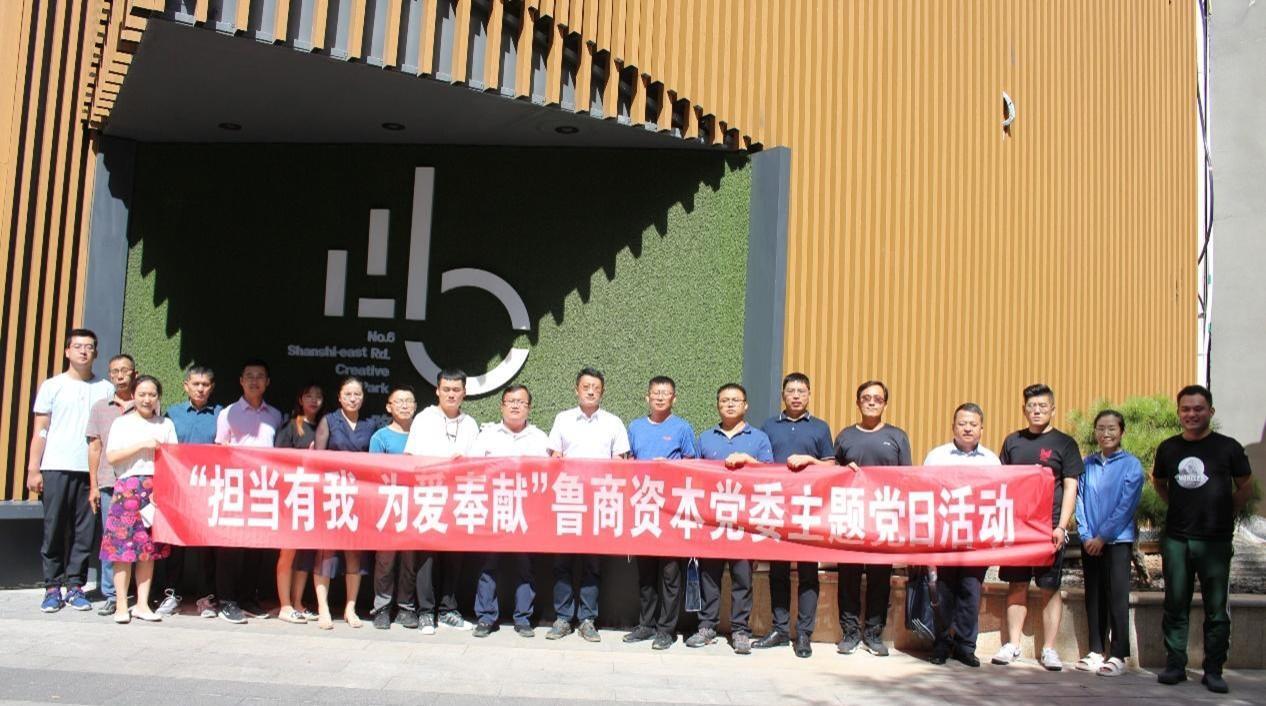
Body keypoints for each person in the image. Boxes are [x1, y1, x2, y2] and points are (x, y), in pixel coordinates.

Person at [1152, 385, 1253, 694]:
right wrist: (1179, 506)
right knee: (1175, 603)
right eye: (1186, 409)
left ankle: (1213, 670)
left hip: (1215, 540)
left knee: (1216, 608)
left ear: (1210, 411)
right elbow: (1159, 483)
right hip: (1177, 539)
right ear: (1178, 412)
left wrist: (1226, 510)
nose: (1191, 414)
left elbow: (1245, 486)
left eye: (1198, 409)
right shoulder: (1168, 448)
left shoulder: (1228, 448)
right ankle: (1175, 664)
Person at [991, 383, 1083, 671]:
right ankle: (1013, 644)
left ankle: (1049, 649)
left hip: (1049, 528)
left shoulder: (1065, 444)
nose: (1037, 410)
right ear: (1024, 409)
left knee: (1049, 587)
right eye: (1032, 406)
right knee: (1016, 584)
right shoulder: (1013, 441)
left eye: (1043, 406)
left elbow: (1071, 486)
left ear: (1053, 409)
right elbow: (1002, 483)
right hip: (1018, 528)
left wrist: (1062, 526)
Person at [27, 328, 114, 613]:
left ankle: (76, 586)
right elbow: (41, 430)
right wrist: (33, 468)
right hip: (56, 466)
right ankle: (52, 586)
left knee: (85, 530)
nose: (83, 351)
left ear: (96, 353)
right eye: (78, 346)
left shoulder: (106, 388)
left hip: (91, 471)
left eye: (89, 347)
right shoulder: (52, 385)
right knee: (54, 528)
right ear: (67, 351)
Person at [545, 367, 631, 642]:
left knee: (593, 564)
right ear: (577, 390)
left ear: (602, 392)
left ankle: (587, 619)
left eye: (596, 388)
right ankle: (562, 618)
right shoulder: (563, 419)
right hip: (568, 501)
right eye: (586, 387)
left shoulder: (613, 422)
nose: (591, 391)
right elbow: (554, 457)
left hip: (598, 503)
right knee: (562, 563)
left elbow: (620, 462)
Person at [687, 382, 773, 655]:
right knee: (709, 576)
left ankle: (740, 630)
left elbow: (772, 477)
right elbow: (694, 475)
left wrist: (749, 460)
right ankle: (707, 626)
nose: (730, 404)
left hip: (745, 521)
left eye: (736, 400)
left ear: (746, 405)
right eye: (724, 400)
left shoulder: (759, 438)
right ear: (717, 405)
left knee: (742, 578)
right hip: (712, 520)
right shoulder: (705, 438)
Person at [755, 372, 834, 658]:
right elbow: (760, 465)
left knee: (808, 573)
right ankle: (779, 629)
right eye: (791, 391)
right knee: (778, 572)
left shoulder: (820, 428)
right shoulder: (768, 426)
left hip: (809, 511)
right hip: (777, 509)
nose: (796, 396)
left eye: (802, 391)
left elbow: (831, 466)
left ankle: (803, 634)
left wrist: (810, 460)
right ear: (783, 396)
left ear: (809, 395)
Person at [833, 380, 912, 657]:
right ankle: (850, 632)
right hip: (852, 515)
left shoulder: (898, 436)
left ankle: (873, 633)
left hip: (883, 517)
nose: (871, 402)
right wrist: (845, 471)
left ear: (885, 404)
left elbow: (906, 478)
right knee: (849, 576)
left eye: (877, 399)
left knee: (880, 576)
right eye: (866, 398)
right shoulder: (845, 436)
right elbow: (832, 473)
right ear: (858, 402)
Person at [922, 402, 1000, 667]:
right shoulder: (937, 456)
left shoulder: (991, 460)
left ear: (981, 429)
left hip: (977, 538)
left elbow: (999, 496)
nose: (967, 428)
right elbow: (923, 491)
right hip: (944, 535)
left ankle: (966, 646)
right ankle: (941, 643)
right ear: (953, 427)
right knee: (942, 591)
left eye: (973, 424)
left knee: (970, 590)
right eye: (962, 423)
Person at [468, 384, 549, 639]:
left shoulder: (540, 438)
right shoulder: (487, 436)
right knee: (488, 565)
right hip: (493, 511)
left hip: (527, 512)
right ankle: (486, 617)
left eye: (520, 402)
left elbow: (549, 474)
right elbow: (472, 468)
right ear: (501, 406)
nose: (515, 406)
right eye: (510, 401)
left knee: (526, 567)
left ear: (529, 408)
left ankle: (523, 619)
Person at [623, 376, 697, 650]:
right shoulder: (635, 427)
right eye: (656, 393)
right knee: (645, 574)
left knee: (670, 574)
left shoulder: (682, 428)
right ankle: (646, 624)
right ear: (647, 397)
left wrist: (669, 467)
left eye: (666, 393)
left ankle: (666, 629)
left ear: (674, 398)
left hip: (672, 511)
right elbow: (628, 463)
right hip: (644, 508)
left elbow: (692, 464)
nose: (660, 397)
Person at [404, 368, 480, 634]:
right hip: (429, 495)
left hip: (458, 498)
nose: (451, 394)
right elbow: (410, 457)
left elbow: (478, 463)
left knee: (454, 556)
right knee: (426, 557)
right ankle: (426, 612)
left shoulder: (470, 424)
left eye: (456, 390)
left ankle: (448, 610)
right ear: (437, 390)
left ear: (464, 393)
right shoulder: (424, 419)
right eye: (446, 389)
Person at [100, 375, 178, 624]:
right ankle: (121, 605)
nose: (147, 399)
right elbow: (112, 456)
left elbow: (173, 459)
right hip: (127, 489)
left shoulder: (165, 424)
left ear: (158, 397)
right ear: (133, 395)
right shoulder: (122, 423)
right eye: (142, 394)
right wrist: (142, 444)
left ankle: (142, 604)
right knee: (122, 551)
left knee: (148, 550)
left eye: (152, 394)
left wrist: (162, 488)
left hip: (155, 490)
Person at [213, 359, 284, 624]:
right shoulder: (227, 413)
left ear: (268, 382)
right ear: (241, 381)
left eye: (260, 376)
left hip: (263, 489)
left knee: (256, 546)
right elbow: (219, 451)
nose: (255, 381)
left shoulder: (275, 415)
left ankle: (247, 598)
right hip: (235, 488)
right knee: (231, 546)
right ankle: (226, 600)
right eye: (250, 376)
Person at [1073, 409, 1143, 677]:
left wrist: (1103, 536)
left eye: (1112, 428)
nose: (1106, 433)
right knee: (1093, 595)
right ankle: (1095, 649)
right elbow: (1079, 500)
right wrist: (1086, 535)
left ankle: (1118, 654)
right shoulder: (1087, 464)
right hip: (1090, 540)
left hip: (1117, 541)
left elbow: (1126, 506)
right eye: (1101, 428)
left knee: (1117, 596)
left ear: (1122, 431)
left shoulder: (1131, 465)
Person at [312, 375, 378, 629]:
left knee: (354, 553)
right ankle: (323, 608)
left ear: (363, 398)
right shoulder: (329, 421)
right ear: (339, 397)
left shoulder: (370, 425)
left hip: (358, 496)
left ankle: (350, 608)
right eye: (348, 394)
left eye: (357, 394)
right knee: (325, 552)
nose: (353, 398)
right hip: (331, 495)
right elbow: (318, 460)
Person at [164, 366, 222, 618]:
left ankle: (205, 599)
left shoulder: (221, 414)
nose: (200, 389)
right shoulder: (172, 414)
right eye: (195, 384)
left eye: (205, 384)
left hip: (208, 491)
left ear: (212, 387)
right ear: (185, 385)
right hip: (177, 489)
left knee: (205, 549)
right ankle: (171, 595)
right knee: (174, 546)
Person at [84, 354, 137, 617]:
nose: (119, 375)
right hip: (108, 482)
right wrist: (93, 485)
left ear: (134, 373)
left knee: (138, 539)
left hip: (138, 483)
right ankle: (111, 594)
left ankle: (137, 592)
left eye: (124, 370)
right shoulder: (100, 408)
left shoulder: (146, 403)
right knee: (111, 540)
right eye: (114, 371)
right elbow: (95, 448)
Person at [369, 385, 421, 631]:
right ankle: (381, 608)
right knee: (385, 561)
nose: (404, 405)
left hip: (416, 506)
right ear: (389, 407)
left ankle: (406, 608)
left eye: (409, 401)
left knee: (410, 561)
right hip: (388, 506)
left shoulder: (422, 435)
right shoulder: (380, 437)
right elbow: (373, 473)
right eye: (398, 401)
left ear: (415, 406)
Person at [272, 382, 324, 624]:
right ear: (300, 399)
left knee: (304, 554)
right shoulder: (291, 426)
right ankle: (284, 605)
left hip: (314, 499)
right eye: (308, 396)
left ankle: (298, 603)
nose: (314, 400)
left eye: (318, 396)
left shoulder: (323, 427)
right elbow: (278, 461)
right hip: (290, 496)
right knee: (288, 552)